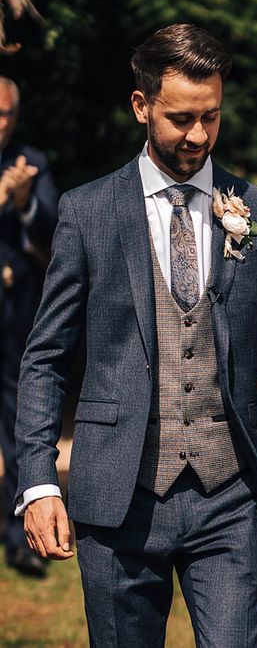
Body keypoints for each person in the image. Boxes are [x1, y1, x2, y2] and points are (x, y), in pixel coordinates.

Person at [14, 24, 257, 647]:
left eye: (212, 117)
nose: (199, 136)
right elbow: (45, 359)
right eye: (181, 119)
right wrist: (40, 481)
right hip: (116, 501)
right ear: (140, 105)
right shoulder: (88, 212)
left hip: (227, 499)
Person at [0, 76, 58, 577]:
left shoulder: (30, 161)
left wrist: (22, 202)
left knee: (19, 418)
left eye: (3, 114)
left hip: (14, 310)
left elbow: (52, 230)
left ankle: (18, 535)